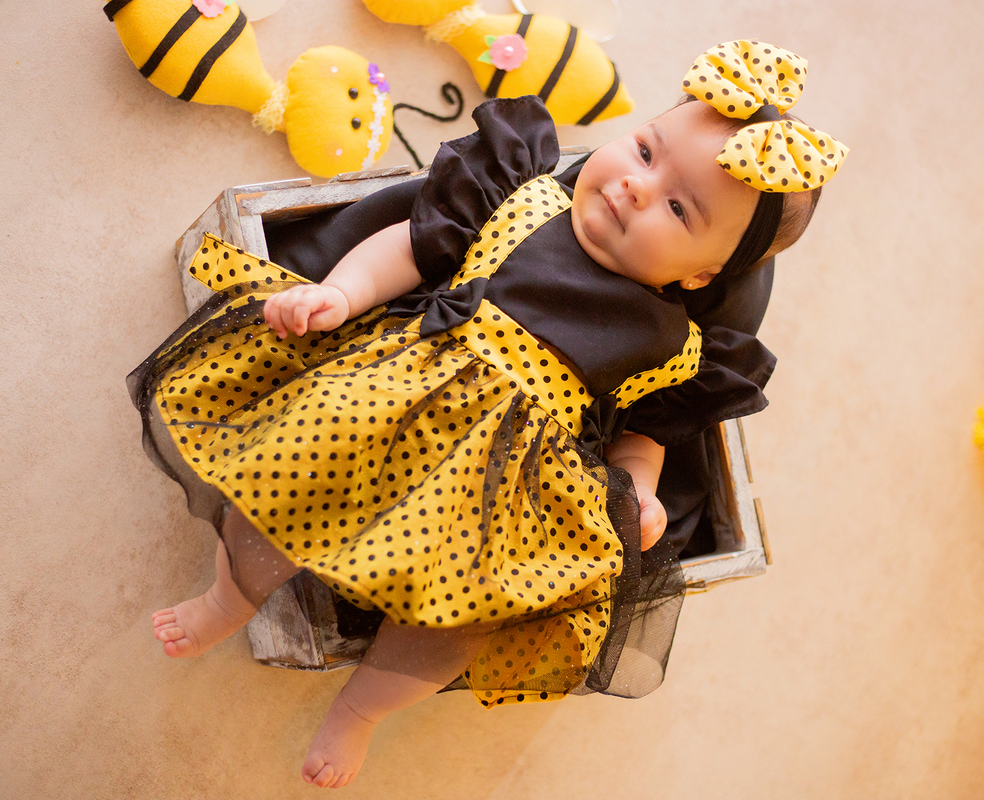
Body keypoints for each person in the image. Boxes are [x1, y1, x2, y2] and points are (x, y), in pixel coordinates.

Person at [131, 40, 846, 789]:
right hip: (393, 393)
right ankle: (226, 598)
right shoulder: (523, 194)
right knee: (280, 489)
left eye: (677, 207)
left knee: (457, 625)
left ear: (700, 275)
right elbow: (408, 249)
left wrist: (637, 492)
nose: (637, 186)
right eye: (642, 150)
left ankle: (361, 711)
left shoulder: (674, 340)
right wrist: (340, 294)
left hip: (500, 490)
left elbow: (650, 432)